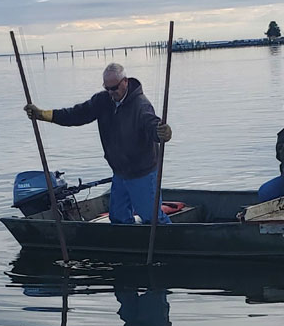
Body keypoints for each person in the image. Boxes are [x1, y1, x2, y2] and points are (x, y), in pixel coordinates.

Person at [24, 63, 173, 224]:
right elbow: (77, 114)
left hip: (142, 173)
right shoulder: (103, 100)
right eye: (107, 88)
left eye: (114, 88)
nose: (111, 92)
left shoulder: (141, 105)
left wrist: (162, 133)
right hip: (120, 172)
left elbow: (152, 125)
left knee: (153, 219)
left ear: (125, 82)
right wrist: (44, 115)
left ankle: (172, 245)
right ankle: (130, 246)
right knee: (118, 217)